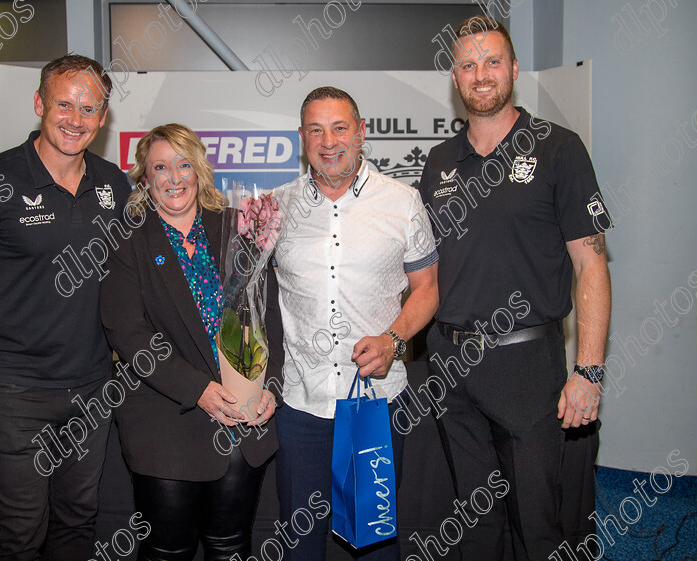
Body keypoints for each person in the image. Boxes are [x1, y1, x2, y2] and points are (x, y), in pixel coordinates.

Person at [417, 16, 612, 561]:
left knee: (538, 527)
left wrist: (589, 370)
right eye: (468, 65)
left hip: (527, 368)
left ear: (515, 70)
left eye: (492, 62)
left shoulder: (559, 149)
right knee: (474, 530)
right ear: (456, 77)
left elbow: (591, 265)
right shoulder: (437, 163)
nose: (481, 75)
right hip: (451, 369)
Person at [0, 55, 131, 560]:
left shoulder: (115, 185)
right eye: (64, 104)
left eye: (89, 108)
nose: (75, 118)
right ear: (40, 104)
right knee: (21, 534)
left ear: (103, 118)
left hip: (92, 389)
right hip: (15, 393)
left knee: (77, 526)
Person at [99, 123, 284, 561]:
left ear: (199, 170)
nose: (174, 177)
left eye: (184, 164)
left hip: (242, 420)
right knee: (168, 549)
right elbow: (128, 333)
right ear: (145, 178)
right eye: (160, 167)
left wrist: (268, 385)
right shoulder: (128, 240)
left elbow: (268, 316)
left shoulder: (238, 228)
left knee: (230, 546)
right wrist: (197, 390)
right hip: (165, 425)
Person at [272, 87, 440, 560]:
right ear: (301, 137)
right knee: (300, 543)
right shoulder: (276, 207)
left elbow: (427, 289)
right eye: (316, 130)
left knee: (372, 543)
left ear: (362, 132)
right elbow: (245, 296)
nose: (329, 141)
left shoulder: (403, 202)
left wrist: (394, 338)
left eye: (340, 127)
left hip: (375, 404)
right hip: (301, 404)